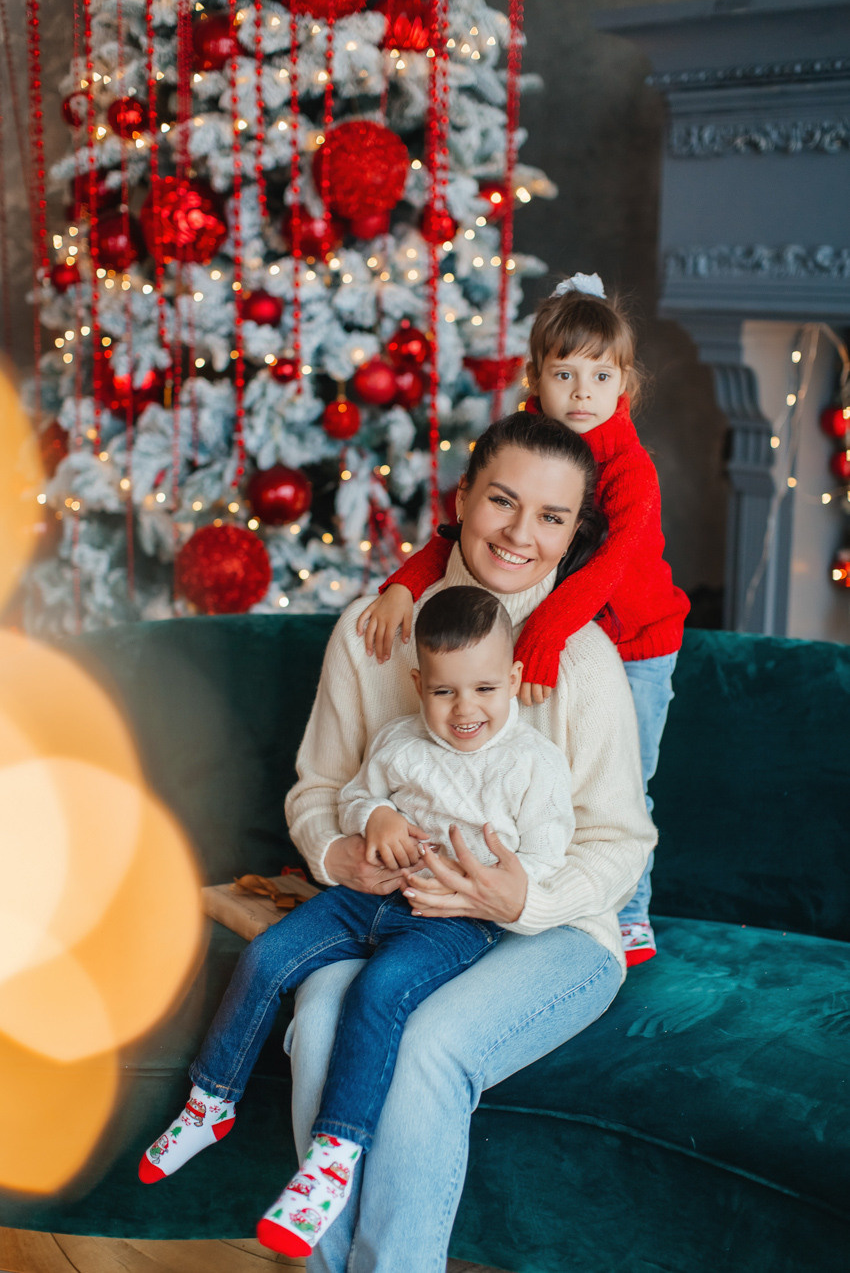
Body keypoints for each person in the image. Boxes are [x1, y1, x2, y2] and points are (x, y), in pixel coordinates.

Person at [283, 410, 656, 1273]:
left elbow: (618, 838)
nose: (522, 534)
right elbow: (320, 790)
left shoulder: (584, 660)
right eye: (503, 501)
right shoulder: (372, 634)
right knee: (322, 1017)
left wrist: (524, 895)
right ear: (462, 499)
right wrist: (340, 854)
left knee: (428, 1043)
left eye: (552, 517)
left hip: (555, 931)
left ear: (574, 530)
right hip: (397, 916)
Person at [138, 583, 578, 1259]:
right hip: (369, 897)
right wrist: (377, 817)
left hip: (451, 918)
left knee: (378, 992)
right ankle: (211, 1101)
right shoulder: (401, 741)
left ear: (514, 680)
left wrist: (487, 882)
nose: (466, 710)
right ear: (418, 683)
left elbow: (548, 856)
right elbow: (355, 795)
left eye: (486, 689)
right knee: (267, 957)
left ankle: (332, 1159)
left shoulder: (532, 763)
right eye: (444, 692)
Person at [358, 273, 689, 966]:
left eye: (601, 376)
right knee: (529, 763)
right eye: (565, 375)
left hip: (633, 641)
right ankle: (521, 881)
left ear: (625, 385)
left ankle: (628, 913)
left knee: (629, 780)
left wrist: (544, 634)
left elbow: (605, 570)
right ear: (535, 377)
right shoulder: (524, 445)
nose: (582, 393)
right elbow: (464, 530)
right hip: (561, 628)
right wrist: (402, 586)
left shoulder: (631, 471)